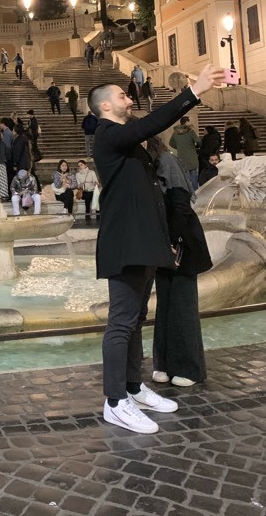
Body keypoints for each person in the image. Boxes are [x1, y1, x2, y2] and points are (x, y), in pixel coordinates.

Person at [87, 62, 223, 434]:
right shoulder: (107, 135)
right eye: (121, 95)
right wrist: (193, 92)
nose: (128, 97)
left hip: (142, 243)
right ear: (104, 108)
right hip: (125, 244)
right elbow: (151, 124)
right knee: (121, 324)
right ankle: (115, 401)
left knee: (133, 322)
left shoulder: (128, 143)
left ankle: (132, 388)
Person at [147, 136, 213, 387]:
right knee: (165, 305)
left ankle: (188, 367)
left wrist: (172, 241)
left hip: (182, 245)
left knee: (183, 306)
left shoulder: (166, 162)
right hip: (165, 246)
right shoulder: (152, 165)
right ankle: (163, 364)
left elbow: (180, 205)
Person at [169, 116, 201, 190]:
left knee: (185, 178)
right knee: (193, 178)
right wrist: (196, 146)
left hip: (181, 158)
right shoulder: (190, 131)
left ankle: (188, 193)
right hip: (192, 157)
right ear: (187, 122)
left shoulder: (176, 132)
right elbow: (198, 141)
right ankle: (195, 193)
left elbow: (171, 143)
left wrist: (179, 147)